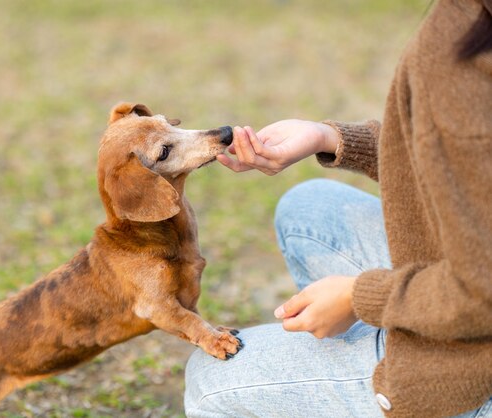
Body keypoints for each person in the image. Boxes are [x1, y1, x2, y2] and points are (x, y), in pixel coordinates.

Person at [184, 0, 492, 417]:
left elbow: (481, 290)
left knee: (208, 383)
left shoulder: (464, 55)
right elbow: (463, 163)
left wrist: (358, 297)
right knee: (310, 214)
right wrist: (328, 137)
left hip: (476, 364)